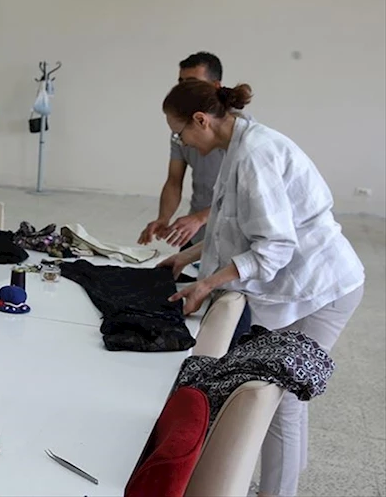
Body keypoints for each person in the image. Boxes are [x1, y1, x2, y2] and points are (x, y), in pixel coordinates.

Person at [158, 80, 365, 497]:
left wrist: (208, 283)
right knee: (285, 399)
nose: (183, 143)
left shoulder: (255, 154)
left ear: (201, 120)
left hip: (321, 289)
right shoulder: (238, 145)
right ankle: (279, 485)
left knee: (280, 399)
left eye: (179, 133)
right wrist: (188, 257)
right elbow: (233, 226)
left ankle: (277, 492)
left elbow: (274, 246)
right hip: (300, 287)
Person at [138, 51, 225, 249]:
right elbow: (174, 180)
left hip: (231, 236)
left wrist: (200, 218)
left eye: (192, 82)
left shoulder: (240, 137)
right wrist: (163, 218)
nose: (184, 89)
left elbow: (242, 199)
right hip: (196, 234)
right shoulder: (180, 130)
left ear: (215, 86)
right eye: (181, 82)